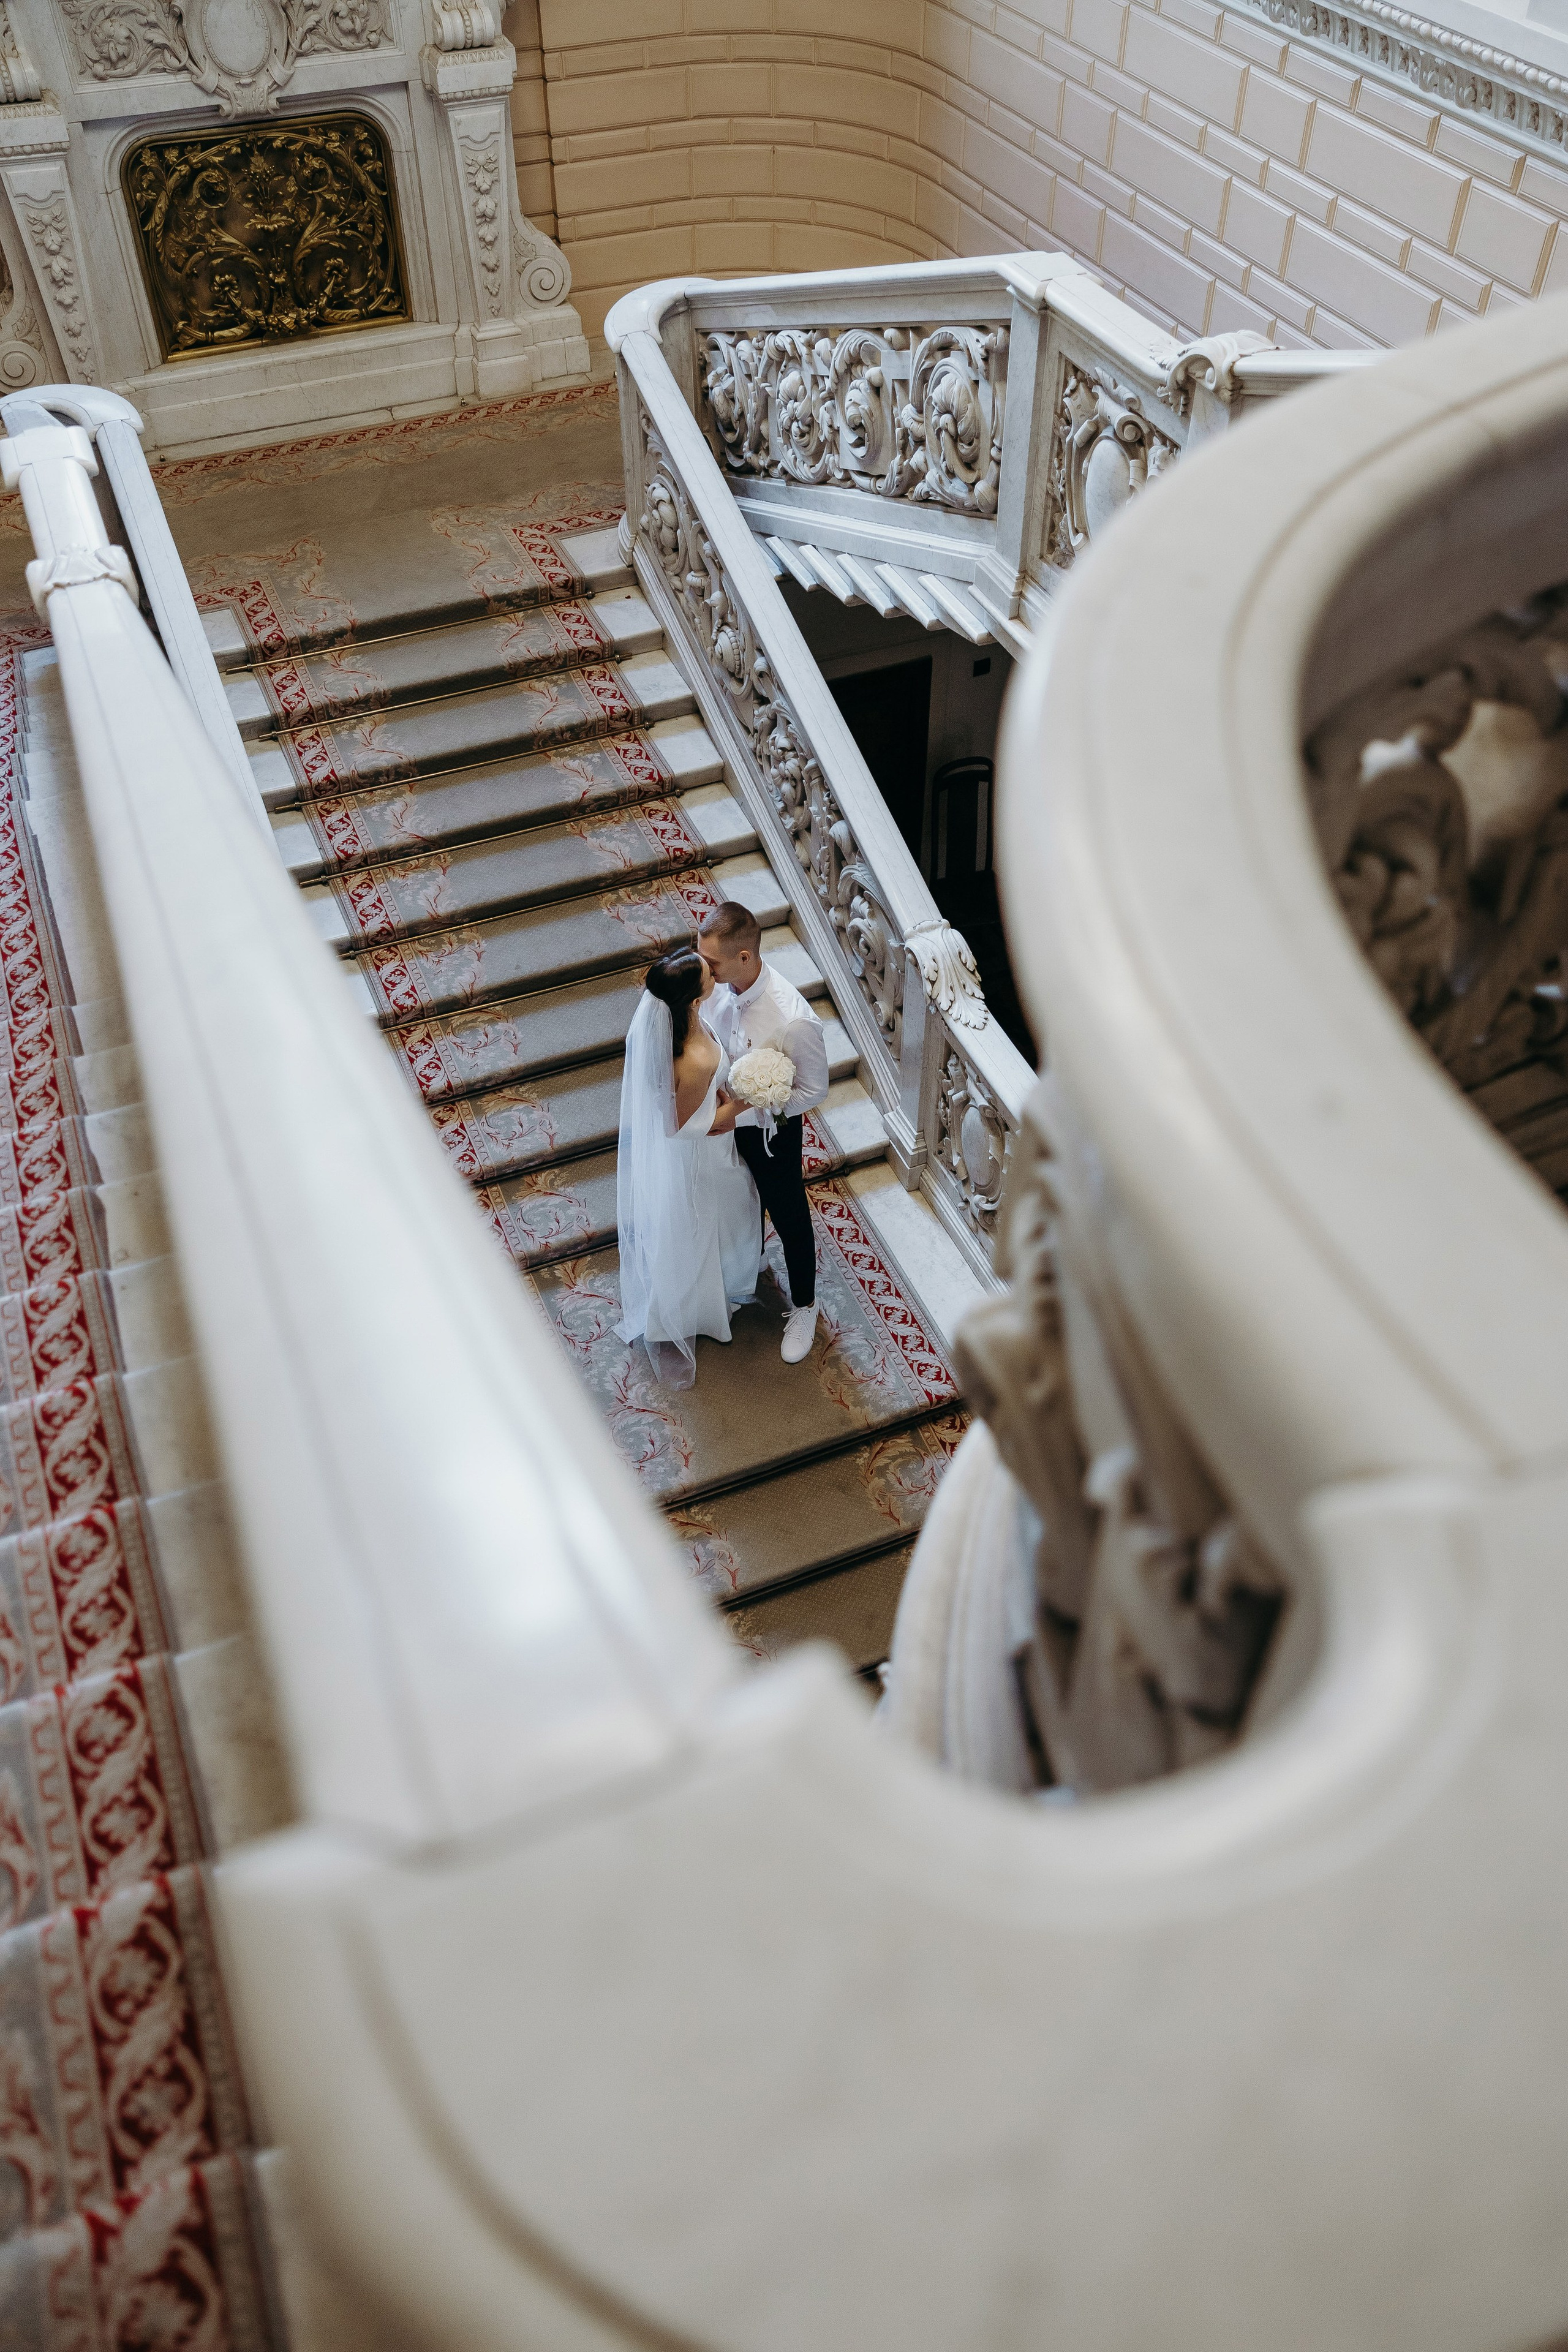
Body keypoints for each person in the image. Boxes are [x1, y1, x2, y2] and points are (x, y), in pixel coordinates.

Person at [615, 946, 761, 1389]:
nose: (711, 969)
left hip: (708, 1146)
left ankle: (721, 1285)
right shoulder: (694, 1058)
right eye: (705, 971)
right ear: (694, 998)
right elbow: (682, 1127)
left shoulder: (685, 1023)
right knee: (712, 1219)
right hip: (702, 1156)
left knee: (718, 1219)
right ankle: (698, 1306)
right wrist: (743, 1102)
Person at [698, 902, 829, 1365]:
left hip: (770, 1131)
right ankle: (746, 1264)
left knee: (789, 1212)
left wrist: (749, 1111)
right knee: (734, 1199)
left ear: (745, 958)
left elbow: (814, 1090)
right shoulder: (712, 989)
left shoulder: (792, 1019)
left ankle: (806, 1306)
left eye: (711, 963)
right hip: (719, 1123)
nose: (704, 970)